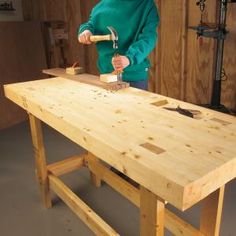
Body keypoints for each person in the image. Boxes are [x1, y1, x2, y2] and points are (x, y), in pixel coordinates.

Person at [78, 0, 159, 90]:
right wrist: (86, 30)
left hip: (134, 77)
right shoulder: (100, 7)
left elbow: (148, 38)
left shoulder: (146, 5)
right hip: (106, 75)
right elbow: (91, 24)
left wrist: (129, 58)